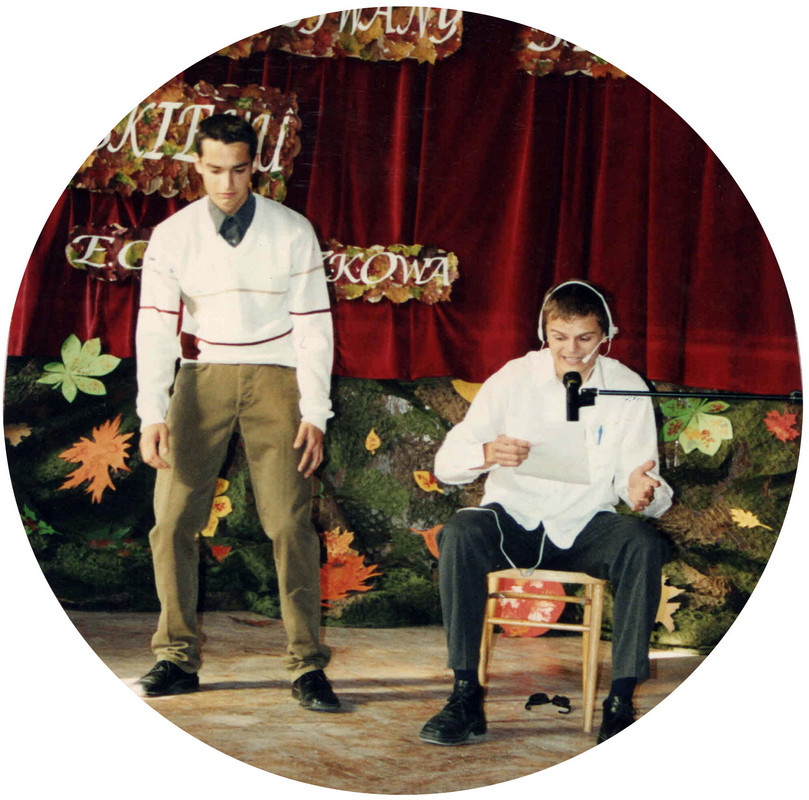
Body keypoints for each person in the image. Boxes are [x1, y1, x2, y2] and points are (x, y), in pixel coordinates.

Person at [134, 113, 340, 712]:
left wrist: (315, 411)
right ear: (197, 166)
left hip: (278, 376)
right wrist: (152, 413)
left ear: (256, 167)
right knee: (172, 521)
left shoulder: (291, 230)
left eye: (240, 170)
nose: (227, 184)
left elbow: (314, 327)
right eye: (215, 170)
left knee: (289, 525)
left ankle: (307, 664)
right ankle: (176, 657)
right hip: (202, 377)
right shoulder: (173, 235)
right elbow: (155, 328)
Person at [419, 280, 672, 745]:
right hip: (514, 519)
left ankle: (620, 700)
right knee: (460, 530)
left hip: (584, 525)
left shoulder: (625, 387)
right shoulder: (513, 378)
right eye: (559, 337)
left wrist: (643, 491)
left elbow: (642, 478)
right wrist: (487, 452)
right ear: (543, 333)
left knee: (640, 541)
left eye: (585, 338)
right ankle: (464, 695)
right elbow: (445, 464)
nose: (571, 350)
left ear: (607, 335)